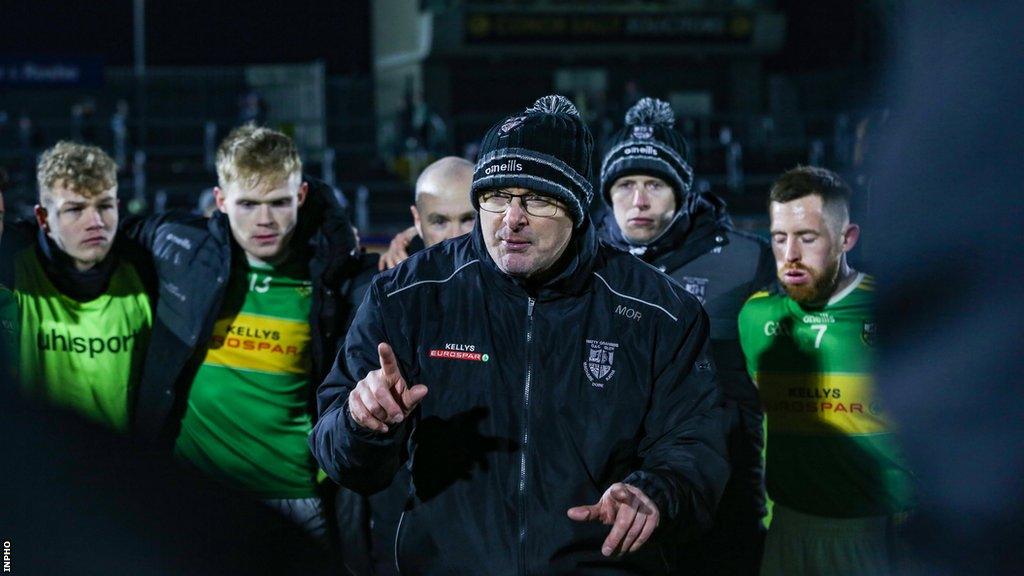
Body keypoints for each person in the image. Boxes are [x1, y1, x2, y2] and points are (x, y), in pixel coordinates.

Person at [311, 95, 729, 575]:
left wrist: (656, 493)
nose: (512, 218)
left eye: (537, 199)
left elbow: (696, 447)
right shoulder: (407, 295)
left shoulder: (659, 310)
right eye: (495, 196)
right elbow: (340, 457)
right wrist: (361, 425)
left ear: (576, 208)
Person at [123, 126, 367, 554]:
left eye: (278, 203)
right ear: (220, 202)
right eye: (248, 204)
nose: (264, 220)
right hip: (192, 498)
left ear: (302, 196)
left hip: (294, 501)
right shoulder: (180, 249)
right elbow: (94, 244)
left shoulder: (333, 276)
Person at [599, 97, 775, 575]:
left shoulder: (747, 261)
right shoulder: (584, 264)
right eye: (625, 185)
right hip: (614, 500)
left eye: (654, 184)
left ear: (681, 192)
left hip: (724, 499)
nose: (638, 200)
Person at [737, 166, 915, 575]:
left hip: (878, 530)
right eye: (779, 239)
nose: (790, 255)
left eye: (807, 238)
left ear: (846, 238)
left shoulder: (891, 310)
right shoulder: (756, 317)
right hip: (786, 527)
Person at [0, 142, 151, 432]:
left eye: (104, 206)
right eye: (75, 210)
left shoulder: (147, 273)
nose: (95, 222)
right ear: (44, 219)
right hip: (39, 469)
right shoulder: (13, 267)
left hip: (120, 468)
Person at [377, 156, 475, 271]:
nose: (455, 236)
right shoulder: (390, 282)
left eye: (468, 219)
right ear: (417, 221)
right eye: (439, 221)